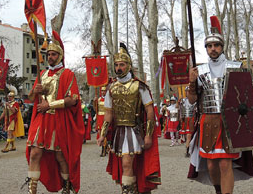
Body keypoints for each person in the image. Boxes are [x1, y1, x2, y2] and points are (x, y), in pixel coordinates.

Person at [187, 16, 253, 194]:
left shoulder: (235, 67)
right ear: (206, 49)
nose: (213, 49)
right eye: (209, 46)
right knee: (211, 164)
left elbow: (248, 98)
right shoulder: (199, 71)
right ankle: (218, 191)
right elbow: (192, 99)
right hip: (208, 121)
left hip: (229, 122)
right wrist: (191, 82)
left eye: (216, 45)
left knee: (225, 163)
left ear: (222, 47)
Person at [25, 31, 85, 194]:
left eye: (53, 54)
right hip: (41, 120)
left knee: (60, 156)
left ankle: (66, 187)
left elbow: (72, 99)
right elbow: (31, 98)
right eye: (48, 54)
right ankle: (32, 190)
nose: (50, 57)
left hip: (57, 120)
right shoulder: (42, 74)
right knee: (35, 153)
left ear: (59, 55)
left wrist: (49, 104)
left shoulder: (67, 74)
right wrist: (35, 91)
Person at [97, 43, 161, 194]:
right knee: (126, 166)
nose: (119, 68)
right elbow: (108, 114)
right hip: (119, 132)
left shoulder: (139, 86)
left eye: (122, 64)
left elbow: (149, 111)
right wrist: (102, 134)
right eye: (117, 65)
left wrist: (148, 135)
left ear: (129, 66)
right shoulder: (111, 89)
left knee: (127, 164)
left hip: (135, 131)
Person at [179, 86, 196, 157]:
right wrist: (179, 102)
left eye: (188, 91)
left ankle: (190, 149)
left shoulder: (195, 100)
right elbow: (179, 109)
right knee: (188, 136)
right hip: (186, 119)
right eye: (186, 91)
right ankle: (188, 149)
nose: (187, 93)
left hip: (193, 119)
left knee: (191, 136)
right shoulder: (183, 100)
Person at [94, 86, 110, 156]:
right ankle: (103, 148)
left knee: (105, 132)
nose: (103, 92)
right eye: (102, 91)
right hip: (100, 117)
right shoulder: (99, 99)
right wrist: (95, 102)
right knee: (100, 132)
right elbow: (95, 109)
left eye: (104, 91)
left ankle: (105, 148)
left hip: (106, 116)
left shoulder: (108, 99)